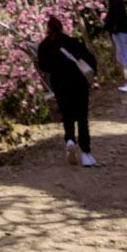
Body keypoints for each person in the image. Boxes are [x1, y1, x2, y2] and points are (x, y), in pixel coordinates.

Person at [36, 14, 100, 167]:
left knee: (67, 115)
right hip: (78, 82)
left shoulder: (43, 46)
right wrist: (92, 75)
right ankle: (86, 154)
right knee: (82, 117)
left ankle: (70, 140)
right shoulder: (72, 42)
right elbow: (90, 59)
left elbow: (43, 67)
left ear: (47, 29)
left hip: (59, 83)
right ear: (61, 27)